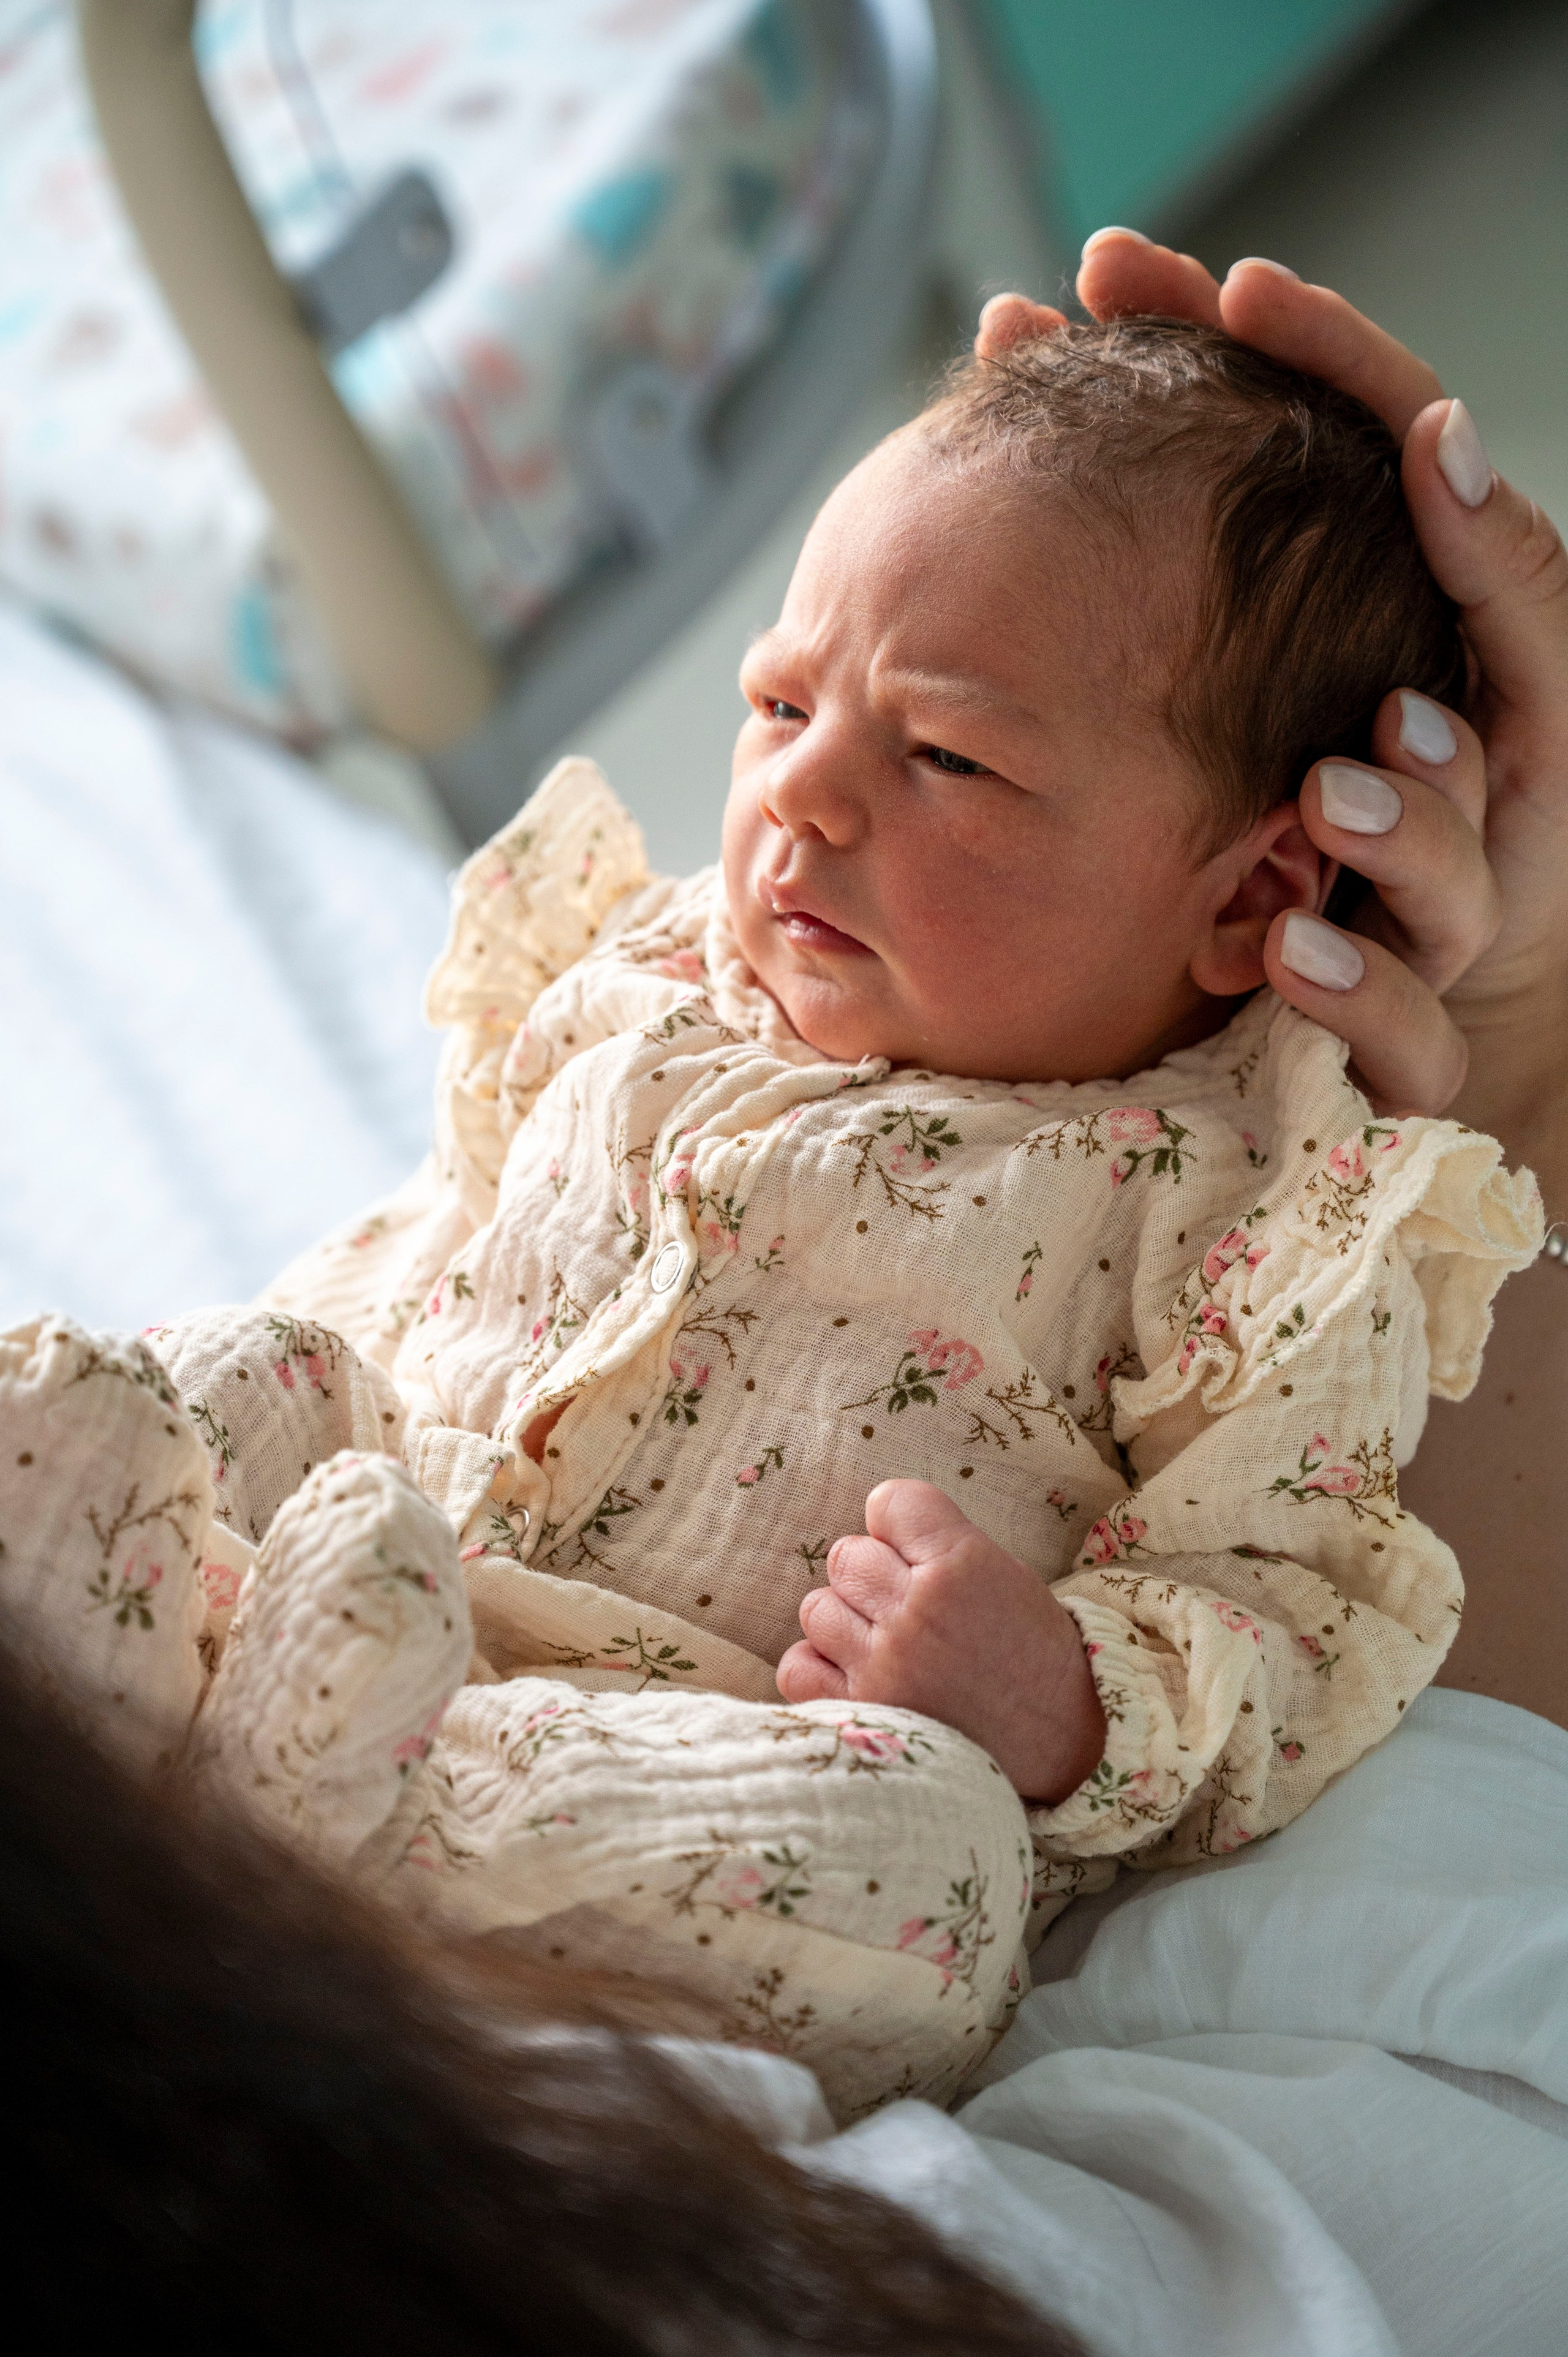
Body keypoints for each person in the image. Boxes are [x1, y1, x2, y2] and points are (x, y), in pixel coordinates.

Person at [1, 307, 1542, 2116]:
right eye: (780, 704)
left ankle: (359, 1820)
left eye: (946, 760)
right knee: (236, 1362)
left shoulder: (1250, 1214)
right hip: (359, 1543)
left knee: (938, 1869)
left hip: (664, 1756)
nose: (802, 790)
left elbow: (1296, 1599)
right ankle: (138, 1659)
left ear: (1250, 889)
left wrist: (1066, 1697)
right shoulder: (648, 968)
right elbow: (431, 1242)